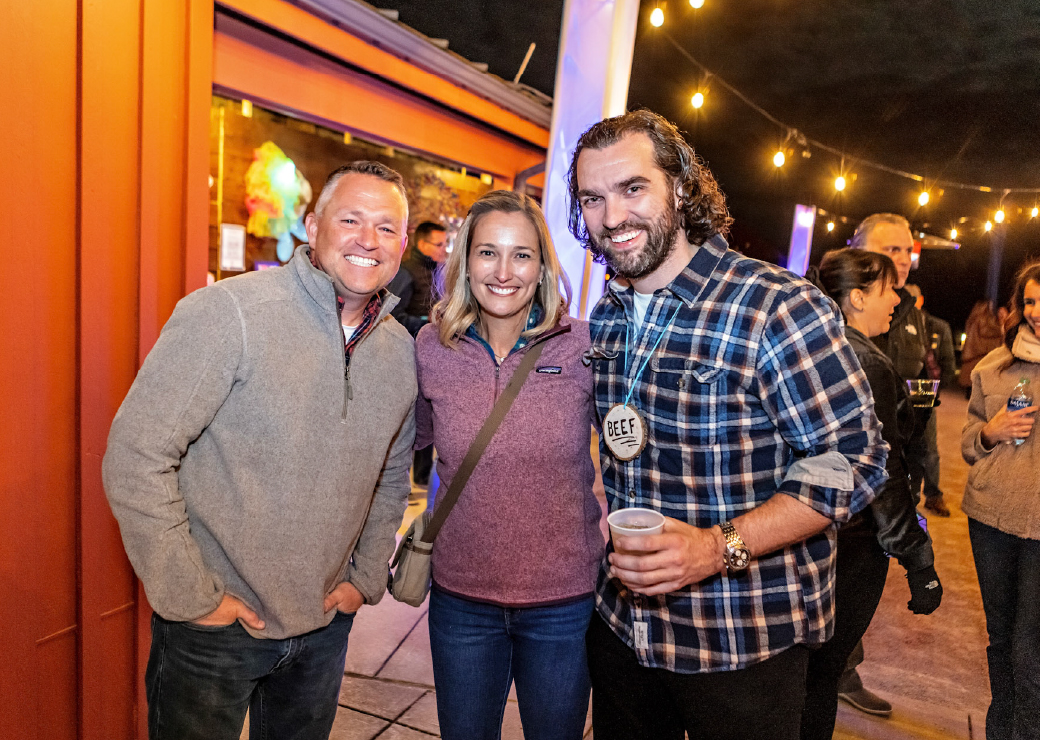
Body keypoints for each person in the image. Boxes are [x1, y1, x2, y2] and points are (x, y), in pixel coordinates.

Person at [567, 109, 887, 740]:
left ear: (681, 189)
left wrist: (715, 549)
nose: (611, 217)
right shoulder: (606, 315)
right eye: (593, 198)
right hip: (622, 631)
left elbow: (851, 464)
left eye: (633, 189)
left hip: (743, 641)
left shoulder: (774, 305)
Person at [102, 161, 417, 740]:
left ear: (404, 243)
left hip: (323, 626)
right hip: (215, 631)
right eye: (350, 219)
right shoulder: (229, 313)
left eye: (387, 227)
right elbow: (137, 455)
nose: (368, 240)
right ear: (312, 223)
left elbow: (392, 477)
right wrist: (190, 597)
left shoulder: (399, 351)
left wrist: (364, 579)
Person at [414, 190, 603, 740]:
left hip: (562, 603)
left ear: (543, 266)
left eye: (521, 254)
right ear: (464, 261)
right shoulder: (432, 346)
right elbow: (397, 448)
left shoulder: (583, 347)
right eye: (487, 252)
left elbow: (633, 451)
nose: (503, 271)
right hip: (461, 599)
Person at [801, 250, 942, 740]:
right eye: (886, 290)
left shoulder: (811, 345)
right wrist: (918, 559)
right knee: (822, 677)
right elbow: (885, 473)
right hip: (853, 544)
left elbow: (892, 432)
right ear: (856, 298)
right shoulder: (867, 360)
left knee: (799, 674)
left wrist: (916, 403)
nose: (896, 298)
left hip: (800, 527)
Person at [962, 259, 1040, 740]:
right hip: (991, 518)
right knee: (1001, 637)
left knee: (1031, 644)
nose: (1038, 312)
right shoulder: (995, 366)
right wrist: (990, 433)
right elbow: (969, 441)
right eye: (1030, 301)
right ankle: (1001, 729)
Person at [390, 220, 449, 487]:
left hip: (433, 353)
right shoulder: (405, 272)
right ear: (422, 244)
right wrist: (427, 324)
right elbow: (392, 316)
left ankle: (423, 479)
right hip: (409, 354)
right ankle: (410, 478)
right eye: (439, 244)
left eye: (445, 243)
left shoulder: (439, 270)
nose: (444, 249)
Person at [905, 284, 957, 507]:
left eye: (912, 299)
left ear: (920, 300)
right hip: (899, 385)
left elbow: (947, 361)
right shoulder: (895, 324)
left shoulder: (935, 326)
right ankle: (908, 494)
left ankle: (933, 494)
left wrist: (935, 390)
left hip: (922, 386)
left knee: (927, 445)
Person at [960, 299, 1005, 394]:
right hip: (978, 353)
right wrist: (1000, 326)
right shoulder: (981, 318)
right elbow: (987, 331)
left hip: (973, 352)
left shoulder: (973, 318)